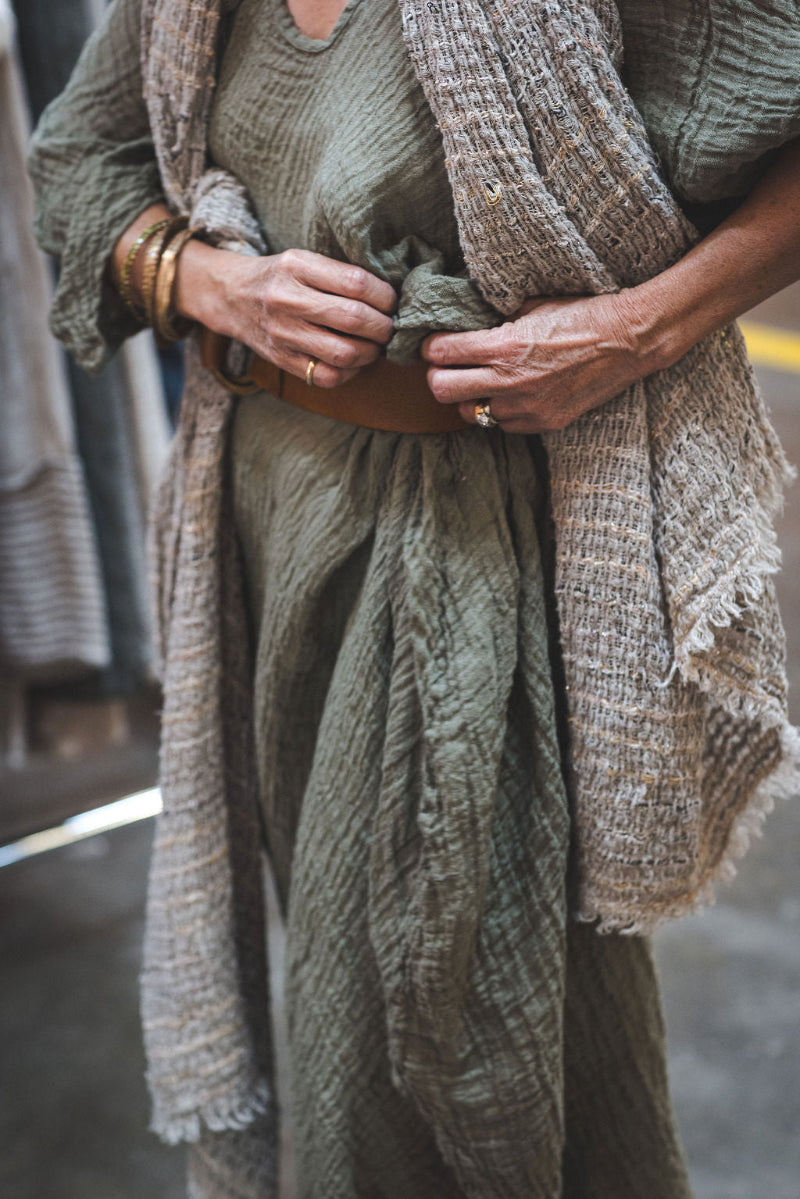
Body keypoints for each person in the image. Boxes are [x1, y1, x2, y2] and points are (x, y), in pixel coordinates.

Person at [28, 0, 800, 1195]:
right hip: (261, 521)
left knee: (457, 1005)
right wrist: (210, 284)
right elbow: (82, 158)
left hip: (469, 532)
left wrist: (641, 329)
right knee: (354, 967)